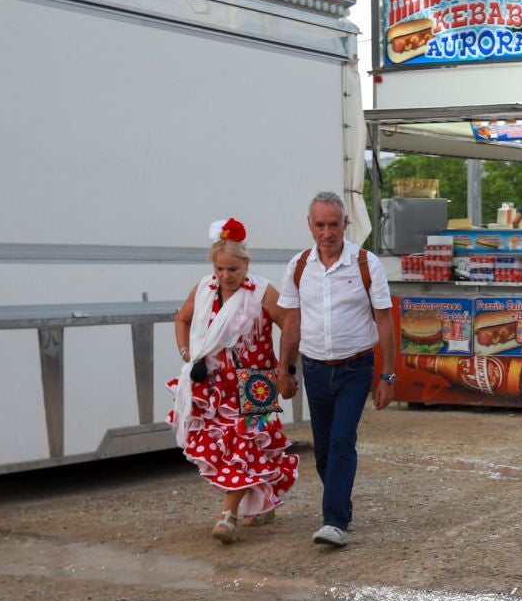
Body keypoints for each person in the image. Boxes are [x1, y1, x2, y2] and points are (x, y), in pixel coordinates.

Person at [169, 218, 300, 544]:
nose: (226, 276)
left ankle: (228, 515)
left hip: (256, 383)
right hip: (214, 384)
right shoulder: (204, 290)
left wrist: (286, 369)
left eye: (233, 269)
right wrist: (188, 354)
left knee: (246, 445)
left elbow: (291, 323)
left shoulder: (263, 292)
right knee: (226, 449)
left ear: (247, 264)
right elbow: (182, 318)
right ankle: (262, 501)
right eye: (220, 269)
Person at [276, 191, 395, 547]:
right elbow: (291, 321)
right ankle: (341, 504)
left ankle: (335, 521)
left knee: (343, 440)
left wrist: (387, 376)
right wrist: (285, 369)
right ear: (309, 225)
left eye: (333, 224)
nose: (327, 233)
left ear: (346, 223)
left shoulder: (365, 263)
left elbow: (384, 321)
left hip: (355, 367)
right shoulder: (299, 267)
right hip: (314, 368)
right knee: (324, 450)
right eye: (320, 225)